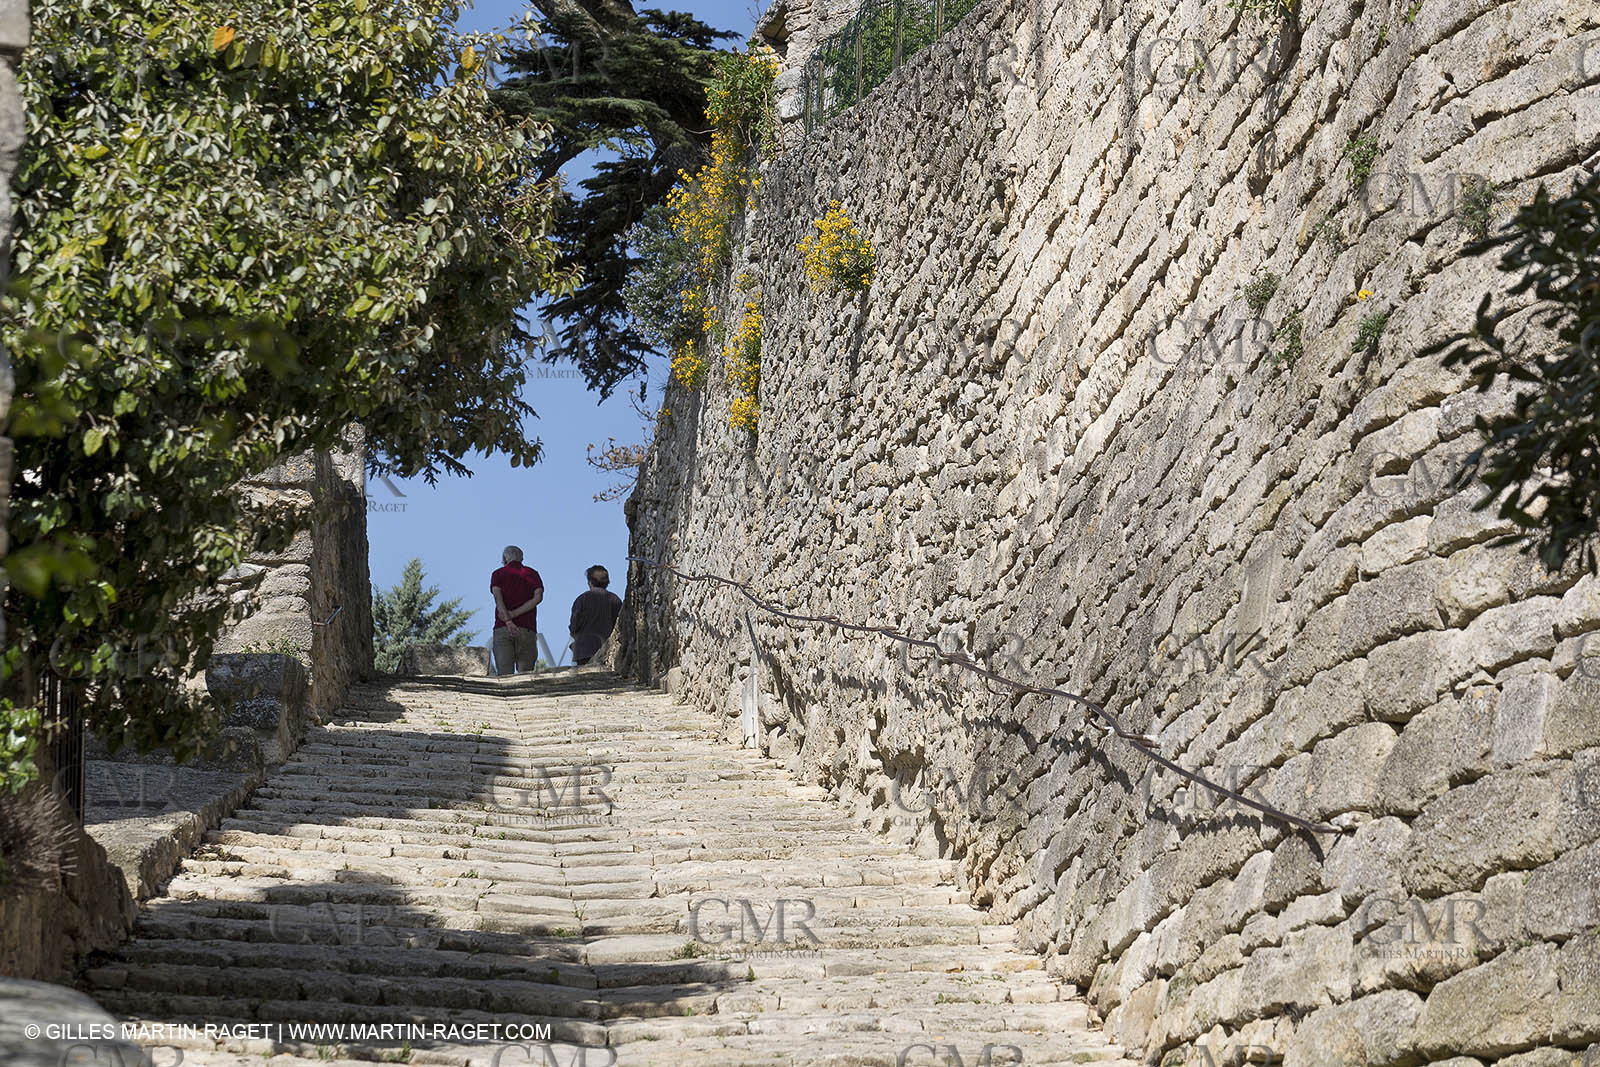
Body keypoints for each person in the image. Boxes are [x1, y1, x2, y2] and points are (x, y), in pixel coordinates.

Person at [490, 546, 543, 675]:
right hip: (527, 628)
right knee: (525, 674)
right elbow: (538, 598)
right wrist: (515, 614)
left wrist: (508, 620)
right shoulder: (533, 574)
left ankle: (504, 695)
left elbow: (498, 598)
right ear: (522, 558)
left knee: (504, 673)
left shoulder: (498, 574)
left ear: (504, 558)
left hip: (503, 628)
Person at [569, 565, 622, 666]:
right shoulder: (616, 600)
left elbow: (574, 626)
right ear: (607, 582)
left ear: (590, 582)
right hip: (609, 651)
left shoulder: (582, 599)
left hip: (584, 651)